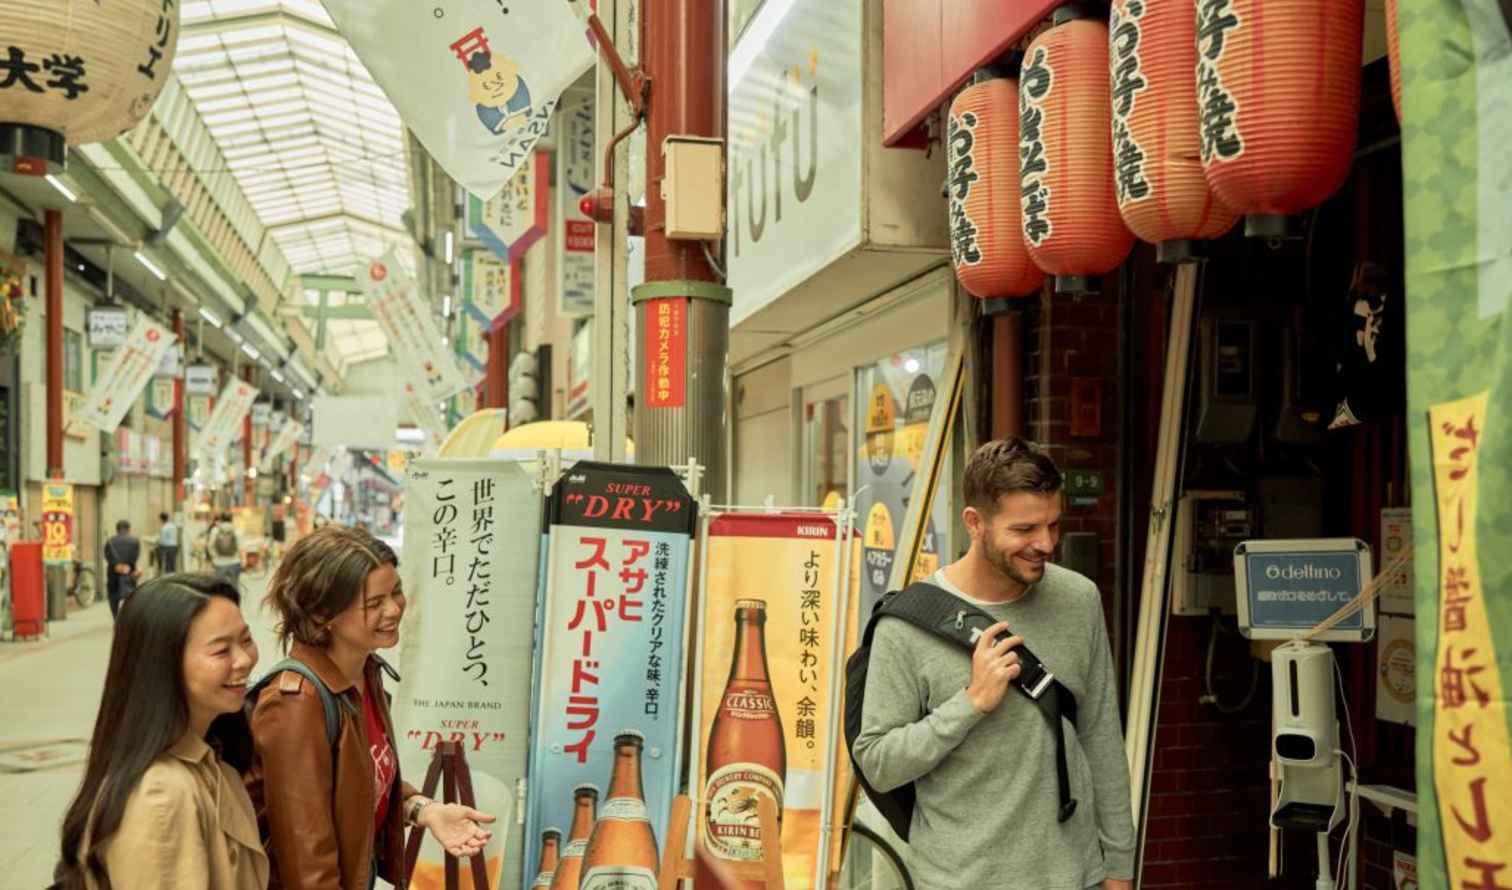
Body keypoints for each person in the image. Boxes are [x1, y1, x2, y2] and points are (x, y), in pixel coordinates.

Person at [853, 438, 1136, 890]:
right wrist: (970, 703)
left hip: (1074, 875)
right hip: (960, 880)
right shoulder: (908, 625)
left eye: (1053, 526)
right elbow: (879, 762)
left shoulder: (1079, 599)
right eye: (1024, 530)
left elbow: (1100, 737)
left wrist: (1120, 868)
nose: (1045, 543)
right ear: (975, 523)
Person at [247, 525, 494, 889]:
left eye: (396, 592)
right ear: (322, 615)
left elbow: (361, 782)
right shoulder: (296, 703)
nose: (394, 609)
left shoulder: (365, 671)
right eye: (374, 603)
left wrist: (424, 810)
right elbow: (308, 865)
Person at [51, 574, 267, 890]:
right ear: (163, 665)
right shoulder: (161, 795)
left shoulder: (212, 757)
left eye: (246, 639)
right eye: (221, 651)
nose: (245, 660)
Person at [103, 521, 141, 618]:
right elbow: (135, 557)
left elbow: (107, 556)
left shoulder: (110, 541)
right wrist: (127, 566)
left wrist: (117, 565)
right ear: (129, 529)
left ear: (117, 529)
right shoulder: (135, 541)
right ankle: (127, 619)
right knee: (130, 596)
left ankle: (116, 617)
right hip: (129, 573)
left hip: (113, 573)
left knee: (113, 597)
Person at [210, 512, 242, 585]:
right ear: (231, 519)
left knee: (220, 586)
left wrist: (214, 557)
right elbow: (240, 547)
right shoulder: (237, 530)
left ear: (221, 519)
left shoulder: (215, 530)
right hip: (234, 561)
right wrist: (242, 561)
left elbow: (210, 546)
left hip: (219, 562)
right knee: (234, 585)